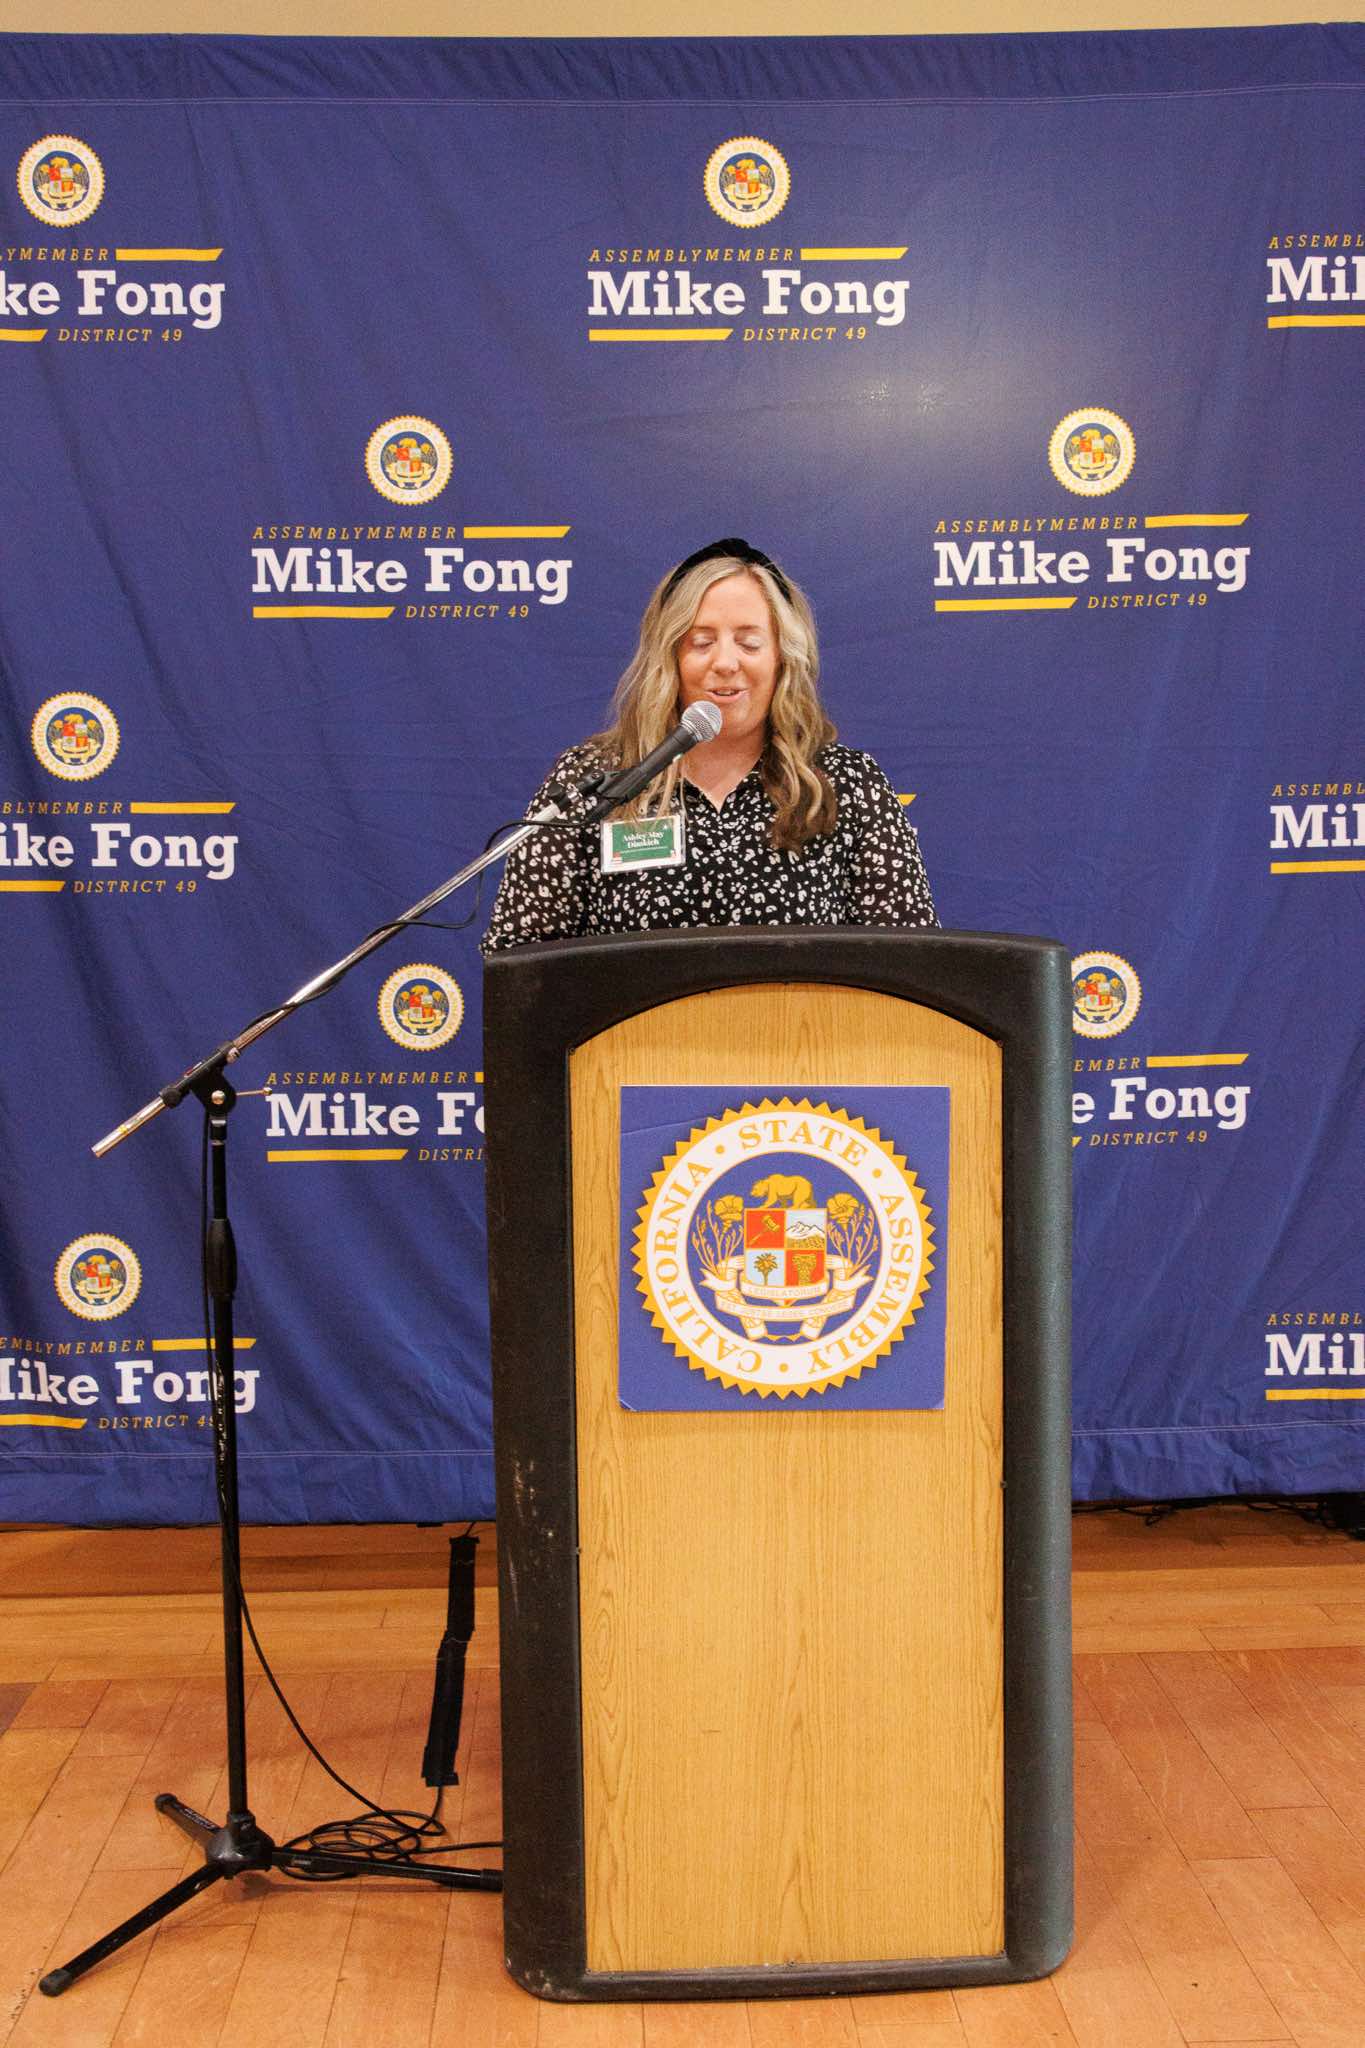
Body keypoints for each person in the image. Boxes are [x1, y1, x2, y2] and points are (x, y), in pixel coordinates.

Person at [480, 538, 937, 950]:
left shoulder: (846, 783)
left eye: (749, 643)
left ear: (782, 658)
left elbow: (910, 958)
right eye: (701, 642)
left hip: (802, 1023)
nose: (725, 662)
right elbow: (519, 963)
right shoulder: (593, 782)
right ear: (669, 657)